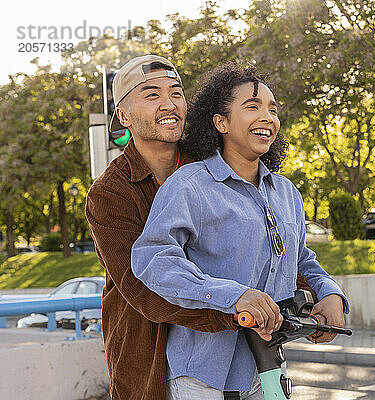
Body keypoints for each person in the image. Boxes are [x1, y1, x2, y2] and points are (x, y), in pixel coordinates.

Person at [85, 55, 319, 400]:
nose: (169, 105)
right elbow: (141, 286)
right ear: (123, 116)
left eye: (176, 94)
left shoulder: (215, 169)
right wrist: (234, 308)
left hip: (247, 359)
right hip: (151, 358)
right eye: (151, 95)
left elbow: (266, 249)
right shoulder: (110, 193)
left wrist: (315, 291)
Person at [131, 62, 349, 399]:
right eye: (253, 107)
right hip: (201, 375)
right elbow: (154, 258)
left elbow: (300, 257)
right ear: (221, 122)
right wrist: (232, 295)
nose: (267, 117)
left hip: (269, 367)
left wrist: (329, 292)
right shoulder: (189, 186)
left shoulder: (286, 192)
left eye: (272, 110)